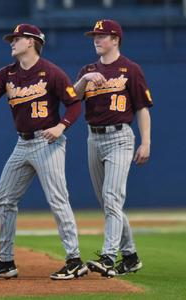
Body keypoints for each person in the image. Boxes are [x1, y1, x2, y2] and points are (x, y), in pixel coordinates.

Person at [0, 24, 88, 280]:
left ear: (32, 42)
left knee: (58, 199)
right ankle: (5, 261)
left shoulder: (51, 72)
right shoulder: (7, 74)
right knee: (4, 199)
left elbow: (74, 105)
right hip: (22, 144)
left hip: (48, 142)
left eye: (17, 39)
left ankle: (75, 260)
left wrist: (61, 126)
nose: (12, 42)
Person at [73, 19, 153, 278]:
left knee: (112, 198)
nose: (97, 39)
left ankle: (108, 257)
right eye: (95, 36)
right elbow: (73, 98)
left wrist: (146, 142)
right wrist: (85, 79)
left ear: (116, 39)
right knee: (108, 202)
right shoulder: (88, 68)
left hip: (120, 137)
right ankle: (130, 256)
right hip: (93, 138)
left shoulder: (130, 69)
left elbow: (142, 108)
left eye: (102, 35)